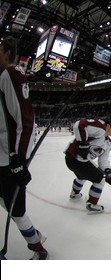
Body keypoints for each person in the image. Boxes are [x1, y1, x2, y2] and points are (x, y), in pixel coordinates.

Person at [0, 36, 48, 260]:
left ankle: (38, 247)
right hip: (1, 159)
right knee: (10, 207)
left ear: (7, 51)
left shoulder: (11, 74)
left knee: (17, 212)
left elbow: (26, 121)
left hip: (8, 162)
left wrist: (20, 160)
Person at [64, 117, 111, 214]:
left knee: (82, 175)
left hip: (77, 161)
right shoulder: (100, 129)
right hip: (74, 158)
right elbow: (78, 125)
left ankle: (74, 193)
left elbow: (103, 160)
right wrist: (82, 144)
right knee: (100, 180)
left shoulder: (108, 143)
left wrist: (109, 171)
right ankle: (92, 204)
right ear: (108, 126)